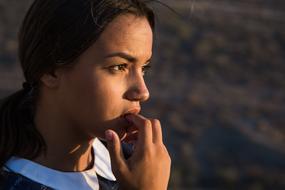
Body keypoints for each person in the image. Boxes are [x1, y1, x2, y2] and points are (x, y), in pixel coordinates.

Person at [0, 0, 171, 189]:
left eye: (143, 68)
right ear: (51, 71)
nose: (143, 92)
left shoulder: (130, 163)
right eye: (118, 66)